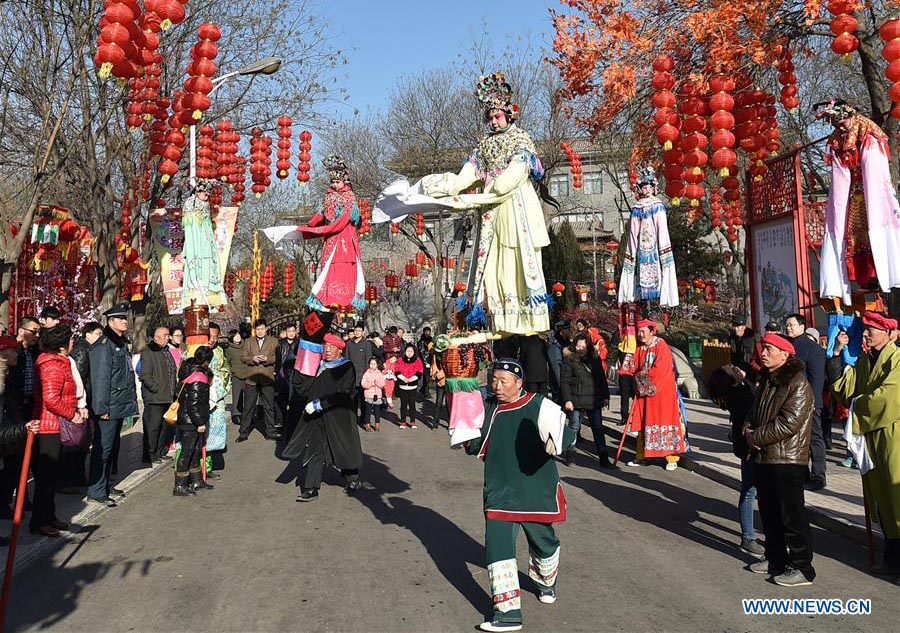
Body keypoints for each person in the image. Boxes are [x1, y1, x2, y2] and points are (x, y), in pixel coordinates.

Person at [418, 71, 553, 335]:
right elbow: (464, 178)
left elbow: (517, 173)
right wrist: (440, 187)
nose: (493, 121)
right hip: (491, 208)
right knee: (494, 263)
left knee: (516, 259)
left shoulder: (520, 140)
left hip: (516, 207)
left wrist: (496, 185)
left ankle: (527, 321)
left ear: (509, 114)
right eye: (490, 117)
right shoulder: (483, 147)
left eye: (498, 116)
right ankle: (502, 321)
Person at [464, 359, 573, 632]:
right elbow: (477, 443)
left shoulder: (538, 404)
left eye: (504, 381)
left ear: (519, 383)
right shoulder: (489, 406)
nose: (497, 386)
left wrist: (556, 441)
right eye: (494, 380)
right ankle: (508, 612)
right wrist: (465, 436)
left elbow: (567, 433)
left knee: (543, 541)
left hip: (535, 487)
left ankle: (546, 580)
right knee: (498, 546)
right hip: (500, 489)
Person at [829, 311, 900, 573]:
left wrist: (857, 406)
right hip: (873, 435)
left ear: (886, 332)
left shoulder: (898, 359)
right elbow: (846, 389)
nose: (866, 333)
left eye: (871, 328)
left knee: (897, 496)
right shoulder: (865, 361)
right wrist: (837, 353)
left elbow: (890, 397)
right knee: (881, 497)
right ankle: (892, 559)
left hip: (894, 435)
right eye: (866, 328)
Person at [745, 333, 816, 587]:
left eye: (769, 349)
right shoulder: (767, 379)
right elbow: (755, 412)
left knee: (791, 516)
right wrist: (747, 430)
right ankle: (775, 558)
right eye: (763, 348)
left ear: (784, 355)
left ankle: (802, 567)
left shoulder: (798, 383)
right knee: (770, 513)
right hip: (765, 456)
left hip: (788, 458)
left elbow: (789, 422)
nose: (763, 353)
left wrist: (756, 437)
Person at [283, 333, 363, 501]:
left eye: (332, 347)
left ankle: (352, 478)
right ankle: (311, 488)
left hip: (339, 416)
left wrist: (320, 404)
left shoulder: (346, 367)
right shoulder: (317, 366)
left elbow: (344, 393)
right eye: (325, 346)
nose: (327, 350)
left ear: (340, 350)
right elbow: (302, 388)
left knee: (342, 447)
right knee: (315, 448)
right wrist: (300, 367)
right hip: (317, 417)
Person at [707, 365, 765, 559]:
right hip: (750, 448)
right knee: (750, 492)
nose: (736, 367)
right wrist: (747, 379)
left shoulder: (734, 394)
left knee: (750, 490)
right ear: (733, 380)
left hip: (744, 448)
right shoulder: (741, 395)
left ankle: (750, 536)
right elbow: (757, 400)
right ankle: (748, 537)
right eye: (733, 369)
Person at [31, 324, 81, 537]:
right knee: (45, 478)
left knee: (50, 477)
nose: (73, 343)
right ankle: (39, 521)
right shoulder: (51, 365)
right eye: (70, 340)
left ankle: (49, 516)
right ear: (62, 344)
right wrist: (72, 414)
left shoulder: (60, 362)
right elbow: (51, 399)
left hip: (55, 425)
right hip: (47, 426)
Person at [298, 156, 366, 311]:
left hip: (345, 237)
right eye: (333, 182)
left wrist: (329, 228)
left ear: (345, 181)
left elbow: (348, 219)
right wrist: (310, 226)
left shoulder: (350, 198)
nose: (335, 185)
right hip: (332, 237)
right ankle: (330, 297)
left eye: (338, 182)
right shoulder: (328, 196)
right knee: (330, 265)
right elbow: (321, 215)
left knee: (344, 264)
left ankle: (346, 297)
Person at [87, 302, 138, 507]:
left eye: (125, 318)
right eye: (120, 318)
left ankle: (106, 483)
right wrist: (101, 409)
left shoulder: (120, 343)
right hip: (109, 405)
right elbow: (100, 379)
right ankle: (96, 489)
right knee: (103, 448)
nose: (125, 321)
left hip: (119, 404)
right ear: (110, 322)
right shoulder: (104, 345)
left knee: (113, 447)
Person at [626, 319, 686, 471]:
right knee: (644, 423)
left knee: (665, 422)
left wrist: (642, 378)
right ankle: (643, 456)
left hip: (662, 393)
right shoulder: (640, 347)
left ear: (652, 331)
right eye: (638, 332)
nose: (640, 335)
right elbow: (633, 365)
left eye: (643, 331)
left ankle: (671, 457)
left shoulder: (661, 345)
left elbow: (661, 369)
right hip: (645, 393)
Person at [618, 167, 679, 308]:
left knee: (657, 269)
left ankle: (662, 296)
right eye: (644, 187)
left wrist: (662, 248)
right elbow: (633, 233)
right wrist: (632, 252)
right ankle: (635, 296)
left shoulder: (657, 205)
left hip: (655, 248)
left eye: (649, 187)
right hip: (641, 248)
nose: (646, 189)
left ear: (653, 188)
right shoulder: (637, 207)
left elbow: (662, 229)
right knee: (639, 271)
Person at [784, 313, 827, 491]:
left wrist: (813, 404)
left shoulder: (813, 349)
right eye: (786, 325)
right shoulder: (787, 346)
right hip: (791, 402)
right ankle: (801, 474)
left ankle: (818, 475)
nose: (788, 328)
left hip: (810, 403)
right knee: (797, 439)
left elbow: (817, 380)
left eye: (791, 325)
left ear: (802, 327)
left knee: (814, 439)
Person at [560, 334, 612, 468]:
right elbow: (564, 381)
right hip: (575, 399)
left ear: (588, 346)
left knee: (598, 429)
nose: (580, 349)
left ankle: (603, 457)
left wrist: (606, 396)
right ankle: (570, 455)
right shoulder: (569, 359)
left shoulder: (595, 359)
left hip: (593, 399)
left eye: (583, 346)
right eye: (578, 346)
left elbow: (601, 379)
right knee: (574, 427)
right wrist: (567, 400)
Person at [173, 346, 214, 496]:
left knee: (196, 450)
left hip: (188, 418)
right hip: (190, 420)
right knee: (187, 451)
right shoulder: (198, 377)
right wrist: (200, 422)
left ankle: (196, 480)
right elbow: (194, 404)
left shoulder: (189, 370)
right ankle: (180, 484)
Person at [180, 179, 226, 310]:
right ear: (197, 192)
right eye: (205, 193)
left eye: (208, 195)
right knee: (196, 273)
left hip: (206, 246)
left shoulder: (205, 206)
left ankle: (206, 296)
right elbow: (190, 230)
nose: (207, 197)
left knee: (208, 272)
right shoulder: (191, 203)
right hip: (196, 246)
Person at [138, 326, 177, 464]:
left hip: (168, 395)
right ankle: (150, 454)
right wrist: (155, 388)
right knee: (153, 427)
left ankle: (159, 451)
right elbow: (145, 375)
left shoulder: (166, 351)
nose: (168, 337)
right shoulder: (149, 352)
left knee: (164, 427)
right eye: (166, 335)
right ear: (157, 337)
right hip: (155, 397)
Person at [237, 318, 278, 442]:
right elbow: (243, 357)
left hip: (267, 377)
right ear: (255, 330)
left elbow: (277, 357)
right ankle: (243, 433)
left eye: (262, 329)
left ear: (266, 329)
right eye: (257, 329)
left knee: (269, 406)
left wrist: (267, 359)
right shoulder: (248, 341)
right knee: (248, 406)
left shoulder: (274, 341)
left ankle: (270, 432)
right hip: (252, 378)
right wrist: (252, 359)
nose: (260, 331)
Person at [205, 323, 231, 474]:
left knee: (215, 428)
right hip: (200, 396)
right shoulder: (194, 350)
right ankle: (199, 466)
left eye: (215, 336)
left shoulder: (219, 351)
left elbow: (226, 370)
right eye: (210, 336)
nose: (212, 340)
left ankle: (209, 464)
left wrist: (218, 384)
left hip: (217, 395)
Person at [274, 322, 299, 440]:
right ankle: (280, 422)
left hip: (294, 374)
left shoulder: (299, 343)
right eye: (289, 331)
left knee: (293, 399)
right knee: (281, 399)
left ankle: (293, 425)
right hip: (282, 374)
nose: (291, 333)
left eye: (293, 331)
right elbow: (277, 359)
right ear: (286, 332)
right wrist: (276, 371)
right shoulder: (280, 344)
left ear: (296, 332)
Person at [345, 323, 374, 417]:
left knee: (363, 399)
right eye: (355, 331)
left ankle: (364, 419)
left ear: (363, 332)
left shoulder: (366, 344)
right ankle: (353, 418)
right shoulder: (349, 343)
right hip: (351, 376)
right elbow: (346, 359)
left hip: (363, 375)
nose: (357, 333)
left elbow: (368, 359)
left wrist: (367, 374)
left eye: (359, 331)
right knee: (352, 399)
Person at [395, 343, 424, 429]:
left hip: (412, 385)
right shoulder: (400, 360)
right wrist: (403, 378)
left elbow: (419, 371)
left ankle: (412, 421)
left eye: (411, 351)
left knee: (412, 404)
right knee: (403, 404)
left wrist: (411, 379)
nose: (409, 353)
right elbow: (397, 371)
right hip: (403, 385)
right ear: (405, 352)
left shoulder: (417, 360)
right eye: (408, 351)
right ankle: (403, 421)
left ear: (414, 352)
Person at [224, 329, 248, 427]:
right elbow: (227, 362)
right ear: (231, 337)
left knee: (248, 396)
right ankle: (236, 415)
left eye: (238, 335)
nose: (238, 337)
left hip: (247, 374)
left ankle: (247, 414)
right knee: (237, 395)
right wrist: (232, 371)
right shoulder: (229, 349)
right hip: (236, 375)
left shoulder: (245, 345)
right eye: (235, 336)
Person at [360, 357, 385, 432]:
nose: (372, 365)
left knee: (377, 411)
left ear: (377, 365)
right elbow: (363, 384)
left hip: (377, 396)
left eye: (374, 364)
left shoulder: (379, 374)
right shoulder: (366, 373)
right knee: (368, 411)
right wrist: (371, 384)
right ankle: (367, 424)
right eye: (371, 364)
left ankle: (377, 424)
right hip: (368, 395)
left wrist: (377, 382)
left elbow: (383, 384)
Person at [548, 320, 571, 400]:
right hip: (559, 384)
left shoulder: (567, 342)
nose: (570, 331)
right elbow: (556, 366)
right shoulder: (554, 345)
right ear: (562, 330)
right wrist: (561, 385)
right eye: (568, 329)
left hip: (566, 382)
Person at [729, 315, 757, 380]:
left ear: (744, 327)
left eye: (738, 326)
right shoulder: (731, 338)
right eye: (734, 326)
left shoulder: (754, 338)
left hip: (751, 371)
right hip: (737, 370)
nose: (735, 329)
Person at [417, 327, 433, 397]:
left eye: (429, 332)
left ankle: (423, 389)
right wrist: (426, 362)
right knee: (426, 377)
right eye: (426, 332)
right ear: (424, 332)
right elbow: (422, 352)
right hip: (424, 361)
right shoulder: (421, 341)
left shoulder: (431, 339)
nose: (427, 333)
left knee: (429, 376)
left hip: (431, 360)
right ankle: (426, 392)